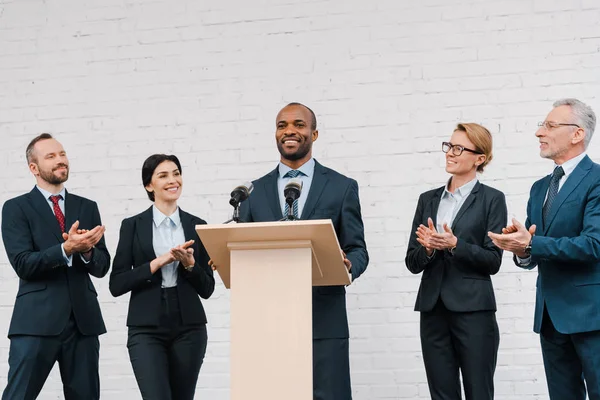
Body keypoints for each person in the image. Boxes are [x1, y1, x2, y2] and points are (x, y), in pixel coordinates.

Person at [237, 102, 369, 400]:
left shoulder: (341, 186)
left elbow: (358, 248)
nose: (290, 131)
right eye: (282, 125)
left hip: (324, 320)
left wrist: (348, 266)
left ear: (314, 133)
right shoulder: (252, 193)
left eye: (298, 124)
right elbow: (241, 249)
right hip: (267, 321)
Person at [489, 98, 600, 400]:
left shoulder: (597, 180)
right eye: (542, 125)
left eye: (550, 125)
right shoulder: (540, 188)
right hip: (550, 317)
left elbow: (594, 244)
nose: (540, 132)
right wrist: (520, 249)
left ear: (577, 134)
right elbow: (533, 249)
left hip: (592, 316)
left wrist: (532, 243)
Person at [1, 133, 110, 400]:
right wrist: (66, 249)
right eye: (51, 156)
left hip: (83, 323)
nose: (61, 160)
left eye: (62, 154)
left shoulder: (87, 207)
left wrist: (86, 251)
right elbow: (23, 264)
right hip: (35, 323)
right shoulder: (15, 208)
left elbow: (102, 266)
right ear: (34, 168)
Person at [405, 123, 507, 400]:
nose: (450, 153)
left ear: (480, 158)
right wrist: (427, 250)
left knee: (479, 392)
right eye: (449, 146)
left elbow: (492, 261)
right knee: (441, 394)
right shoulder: (427, 199)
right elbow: (412, 262)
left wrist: (455, 245)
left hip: (474, 311)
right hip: (432, 309)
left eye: (459, 148)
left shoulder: (492, 200)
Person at [109, 154, 215, 400]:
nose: (173, 180)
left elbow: (207, 288)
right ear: (149, 185)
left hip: (189, 326)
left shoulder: (198, 226)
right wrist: (158, 262)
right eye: (163, 175)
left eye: (176, 173)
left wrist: (189, 265)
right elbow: (117, 284)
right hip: (146, 327)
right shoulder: (132, 226)